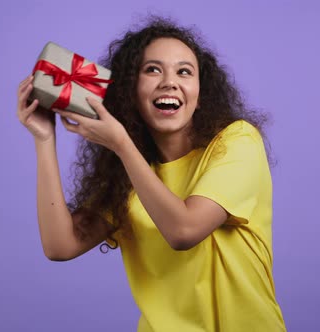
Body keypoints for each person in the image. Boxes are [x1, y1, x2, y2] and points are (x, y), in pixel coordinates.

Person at [16, 17, 286, 332]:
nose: (170, 82)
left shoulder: (237, 141)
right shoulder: (128, 173)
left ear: (201, 95)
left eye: (184, 71)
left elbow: (183, 230)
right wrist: (44, 138)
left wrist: (120, 143)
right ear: (131, 92)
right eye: (152, 70)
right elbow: (60, 246)